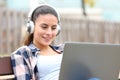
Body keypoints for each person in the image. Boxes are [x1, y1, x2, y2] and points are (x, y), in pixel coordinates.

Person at [11, 4, 64, 80]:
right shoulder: (23, 54)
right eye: (44, 27)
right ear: (31, 27)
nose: (49, 32)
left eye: (53, 28)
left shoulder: (63, 49)